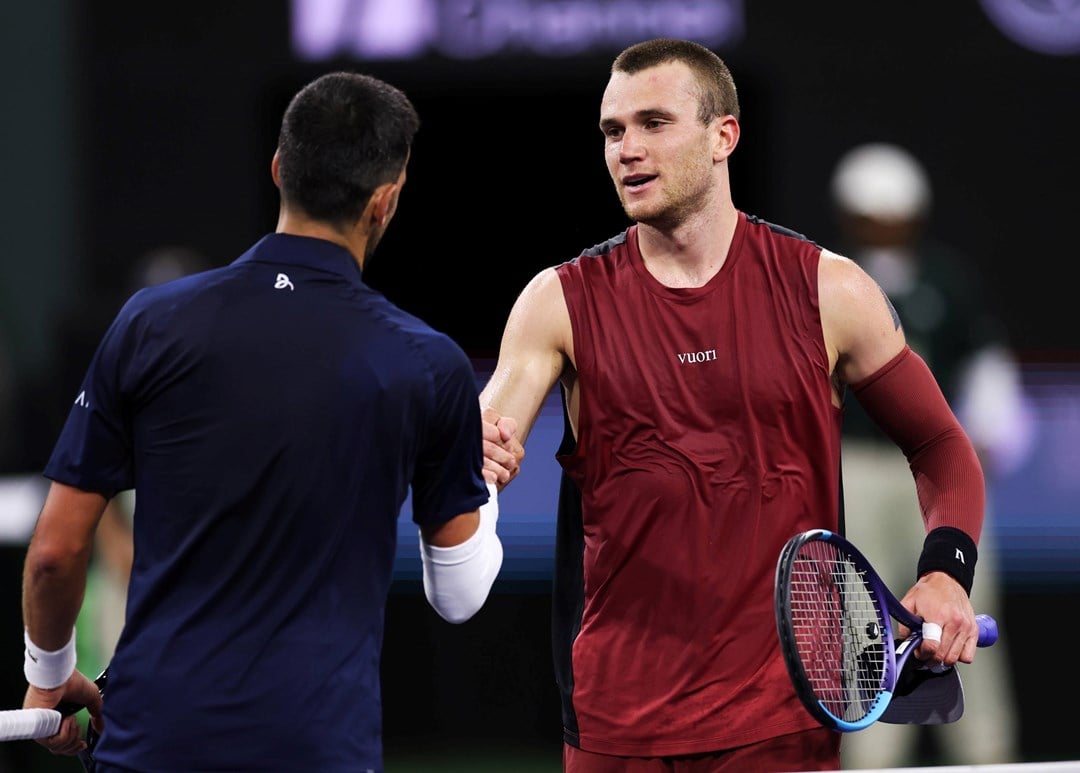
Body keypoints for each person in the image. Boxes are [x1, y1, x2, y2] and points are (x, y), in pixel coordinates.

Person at [479, 38, 989, 772]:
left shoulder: (828, 291)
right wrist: (476, 451)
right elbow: (491, 426)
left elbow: (940, 444)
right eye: (613, 131)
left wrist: (946, 571)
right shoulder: (558, 300)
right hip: (617, 723)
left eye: (653, 123)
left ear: (725, 136)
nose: (627, 149)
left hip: (783, 720)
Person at [20, 70, 509, 772]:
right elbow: (458, 597)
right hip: (319, 750)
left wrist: (51, 668)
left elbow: (54, 552)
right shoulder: (426, 363)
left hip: (151, 746)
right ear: (387, 201)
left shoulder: (151, 323)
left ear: (280, 168)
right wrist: (484, 480)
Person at [828, 142, 1028, 768]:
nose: (886, 226)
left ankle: (986, 754)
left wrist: (992, 439)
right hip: (855, 470)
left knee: (964, 610)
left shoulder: (946, 280)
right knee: (865, 625)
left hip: (938, 472)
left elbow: (987, 368)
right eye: (872, 214)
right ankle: (871, 755)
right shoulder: (836, 282)